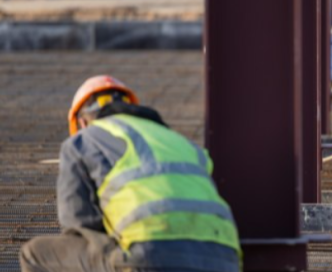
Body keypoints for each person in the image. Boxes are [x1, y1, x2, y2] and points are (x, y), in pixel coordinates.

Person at [20, 76, 241, 272]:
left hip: (149, 257)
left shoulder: (82, 141)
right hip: (225, 259)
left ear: (81, 121)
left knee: (34, 254)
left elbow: (79, 225)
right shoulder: (183, 143)